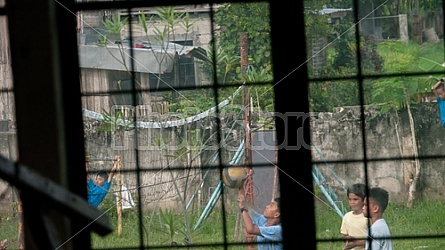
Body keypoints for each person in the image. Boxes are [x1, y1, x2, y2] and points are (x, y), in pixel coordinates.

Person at [341, 183, 369, 250]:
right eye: (350, 199)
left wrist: (356, 243)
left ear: (364, 200)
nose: (352, 202)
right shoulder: (347, 216)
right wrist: (347, 239)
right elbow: (345, 235)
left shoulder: (368, 217)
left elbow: (375, 241)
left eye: (355, 199)